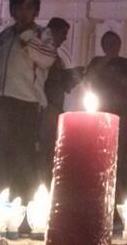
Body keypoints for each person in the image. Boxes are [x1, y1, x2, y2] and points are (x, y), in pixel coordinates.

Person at [0, 0, 57, 200]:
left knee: (22, 158)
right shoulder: (3, 36)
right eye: (18, 7)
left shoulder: (42, 33)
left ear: (36, 11)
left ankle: (20, 207)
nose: (23, 12)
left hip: (25, 102)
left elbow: (47, 58)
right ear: (12, 10)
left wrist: (26, 36)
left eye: (28, 7)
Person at [40, 17, 82, 183]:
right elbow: (47, 80)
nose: (65, 38)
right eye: (63, 34)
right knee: (45, 150)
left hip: (54, 106)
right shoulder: (42, 51)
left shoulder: (54, 55)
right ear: (53, 32)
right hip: (46, 106)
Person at [83, 31, 127, 117]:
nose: (112, 46)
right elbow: (88, 77)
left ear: (119, 44)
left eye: (114, 43)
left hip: (121, 108)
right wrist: (106, 59)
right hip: (100, 107)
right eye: (108, 43)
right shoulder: (96, 61)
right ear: (103, 46)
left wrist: (114, 75)